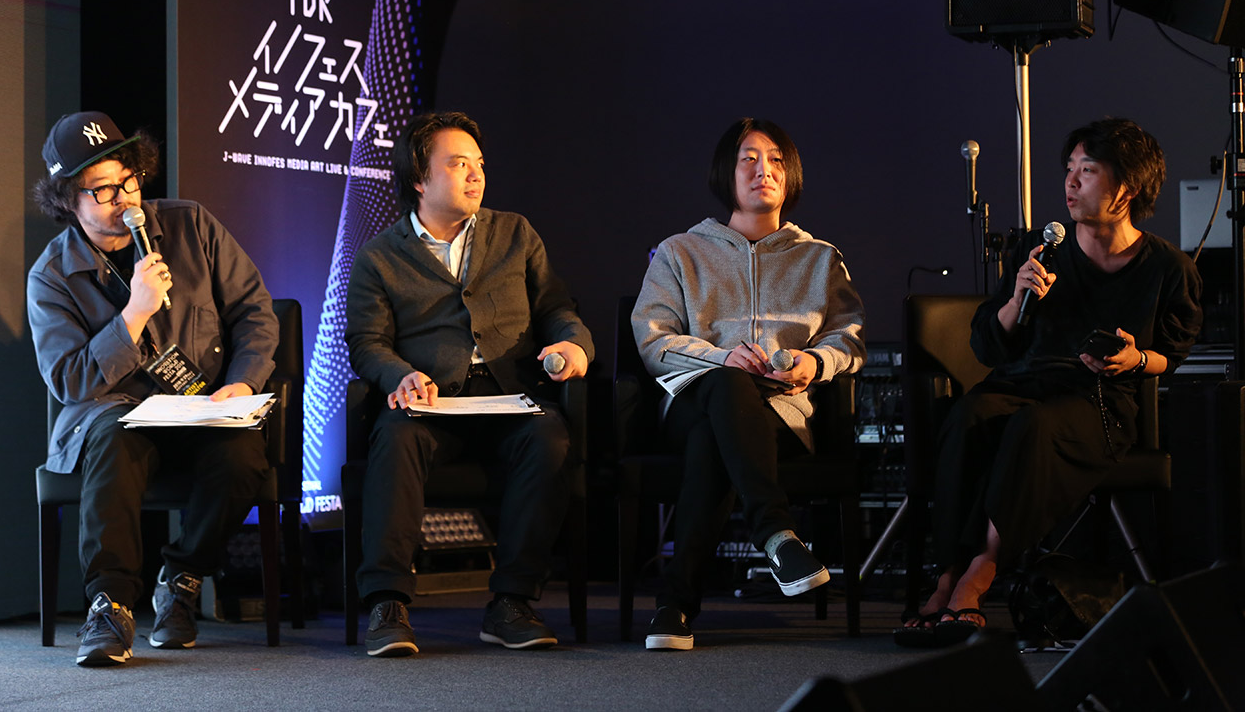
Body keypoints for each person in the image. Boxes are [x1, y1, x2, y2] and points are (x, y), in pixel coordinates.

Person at [898, 117, 1202, 647]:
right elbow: (988, 347)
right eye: (1069, 169)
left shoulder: (1167, 268)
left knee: (1033, 428)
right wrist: (1017, 299)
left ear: (1128, 187)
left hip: (1099, 400)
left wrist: (1134, 359)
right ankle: (946, 575)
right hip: (1022, 383)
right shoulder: (1039, 250)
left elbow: (1170, 356)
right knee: (968, 414)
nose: (1071, 182)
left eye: (1088, 170)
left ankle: (979, 575)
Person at [27, 111, 279, 666]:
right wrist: (133, 316)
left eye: (129, 180)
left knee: (243, 457)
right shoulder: (51, 275)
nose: (123, 199)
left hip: (200, 406)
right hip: (114, 415)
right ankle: (110, 605)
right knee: (115, 439)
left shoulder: (191, 225)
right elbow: (69, 380)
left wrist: (242, 381)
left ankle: (182, 579)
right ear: (68, 201)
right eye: (102, 189)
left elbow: (255, 311)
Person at [346, 110, 594, 657]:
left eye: (479, 163)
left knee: (550, 436)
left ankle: (512, 602)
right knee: (395, 436)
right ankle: (388, 602)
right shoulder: (379, 256)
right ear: (420, 178)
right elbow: (366, 342)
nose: (476, 175)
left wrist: (573, 344)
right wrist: (400, 374)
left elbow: (557, 308)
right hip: (432, 401)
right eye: (459, 164)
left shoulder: (515, 232)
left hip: (509, 393)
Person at [630, 117, 866, 651]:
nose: (765, 170)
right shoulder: (680, 251)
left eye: (776, 160)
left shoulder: (820, 258)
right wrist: (721, 358)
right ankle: (777, 533)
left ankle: (674, 605)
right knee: (726, 387)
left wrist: (813, 364)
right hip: (693, 400)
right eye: (749, 160)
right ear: (726, 173)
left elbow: (849, 340)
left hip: (780, 416)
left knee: (712, 442)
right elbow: (652, 339)